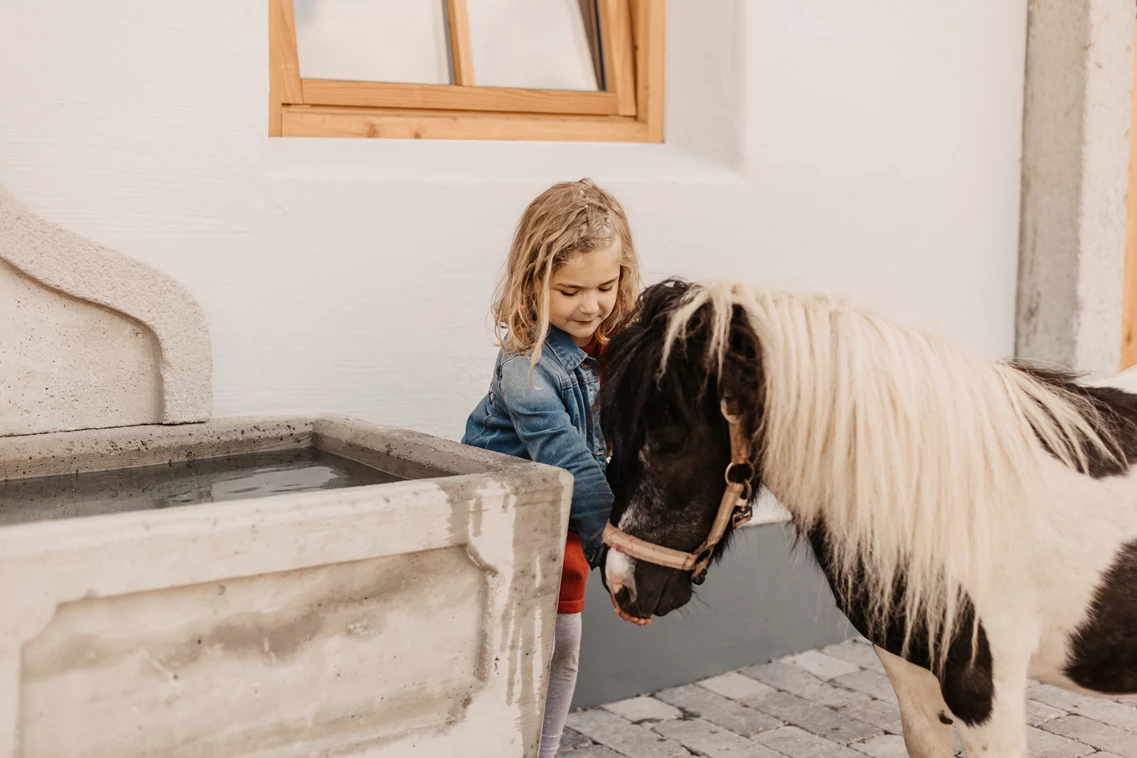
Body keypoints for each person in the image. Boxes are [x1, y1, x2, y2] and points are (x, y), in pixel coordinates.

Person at [462, 178, 647, 757]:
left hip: (567, 518)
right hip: (514, 519)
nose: (590, 306)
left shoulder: (615, 346)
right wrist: (619, 559)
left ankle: (541, 748)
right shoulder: (528, 368)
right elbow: (572, 466)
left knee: (562, 646)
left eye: (604, 287)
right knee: (525, 642)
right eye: (569, 290)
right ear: (532, 281)